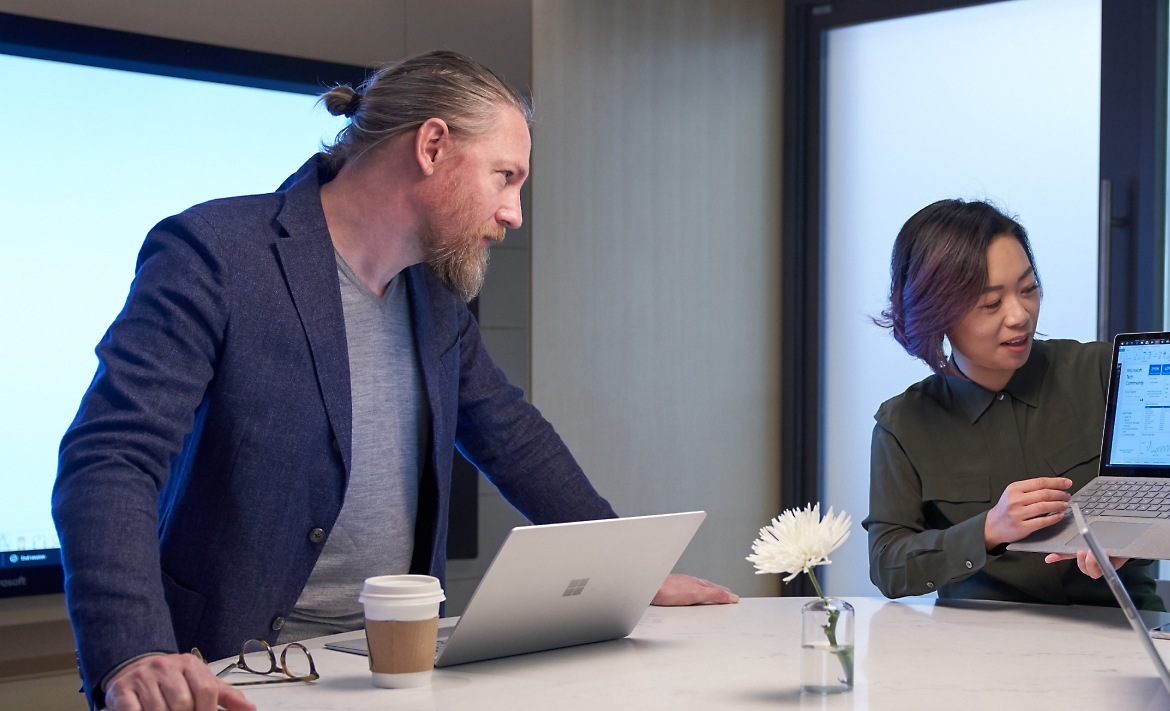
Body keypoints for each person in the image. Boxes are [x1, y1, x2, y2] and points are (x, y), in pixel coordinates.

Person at [53, 51, 737, 711]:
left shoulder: (435, 296)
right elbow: (109, 459)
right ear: (432, 145)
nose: (514, 212)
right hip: (233, 669)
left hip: (393, 667)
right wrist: (133, 651)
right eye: (505, 176)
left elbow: (512, 436)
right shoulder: (215, 253)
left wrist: (625, 569)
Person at [863, 199, 1164, 610]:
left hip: (1123, 633)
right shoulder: (904, 423)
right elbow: (888, 566)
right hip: (983, 652)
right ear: (938, 316)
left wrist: (1131, 539)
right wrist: (989, 528)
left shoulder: (1102, 372)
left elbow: (1165, 494)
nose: (1020, 315)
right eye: (991, 304)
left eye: (1028, 289)